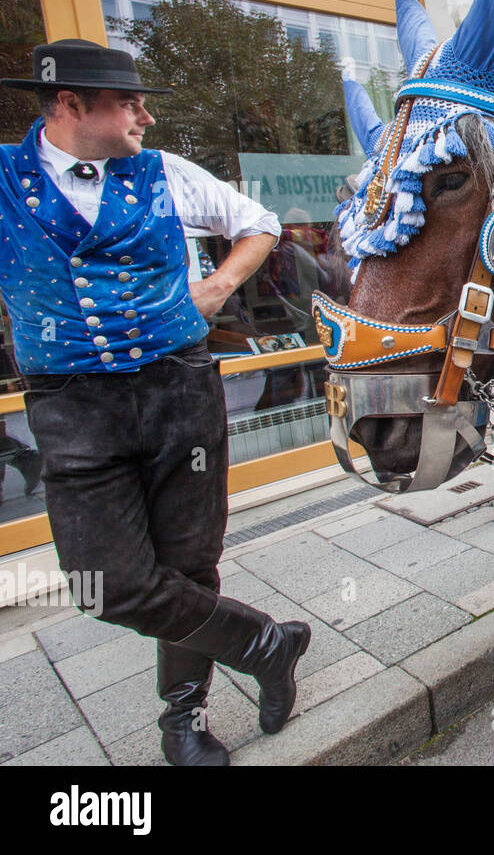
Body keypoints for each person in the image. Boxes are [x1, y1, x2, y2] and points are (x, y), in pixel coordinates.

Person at [0, 40, 311, 766]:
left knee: (189, 565)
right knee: (106, 585)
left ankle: (183, 720)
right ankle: (266, 644)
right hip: (73, 405)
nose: (143, 114)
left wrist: (219, 287)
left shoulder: (164, 173)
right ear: (71, 106)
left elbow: (259, 223)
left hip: (178, 390)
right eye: (127, 102)